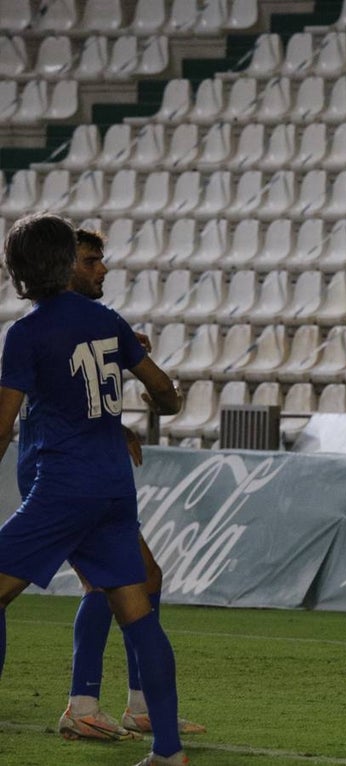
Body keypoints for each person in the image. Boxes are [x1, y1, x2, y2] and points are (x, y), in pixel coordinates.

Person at [0, 213, 189, 766]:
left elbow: (4, 425)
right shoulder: (108, 321)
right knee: (137, 608)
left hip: (63, 487)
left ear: (19, 271)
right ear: (65, 263)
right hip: (113, 486)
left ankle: (90, 705)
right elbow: (164, 392)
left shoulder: (26, 333)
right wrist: (159, 404)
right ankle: (167, 751)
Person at [56, 228, 206, 741]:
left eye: (101, 259)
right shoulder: (54, 325)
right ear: (63, 266)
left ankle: (138, 705)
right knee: (106, 583)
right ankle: (83, 704)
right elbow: (48, 398)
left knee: (146, 577)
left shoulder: (93, 325)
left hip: (91, 465)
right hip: (64, 473)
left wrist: (114, 427)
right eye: (90, 260)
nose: (102, 268)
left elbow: (77, 392)